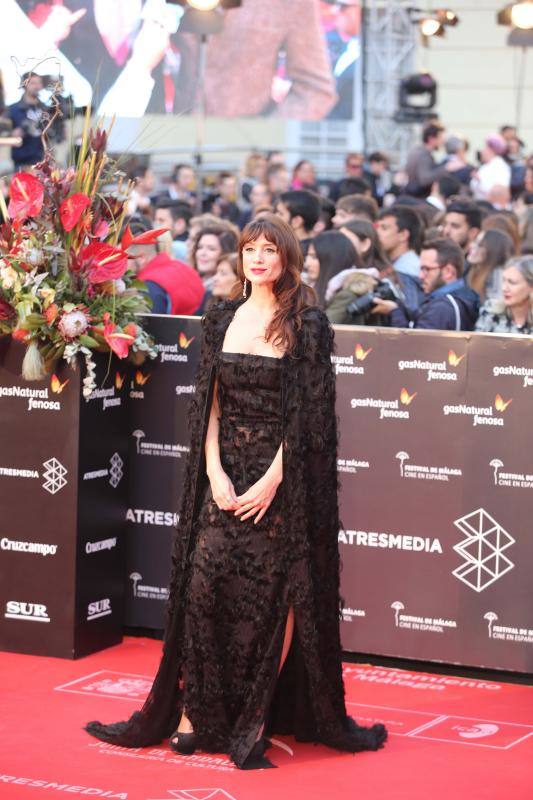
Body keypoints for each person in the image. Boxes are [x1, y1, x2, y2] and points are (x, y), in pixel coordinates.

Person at [85, 214, 387, 769]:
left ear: (286, 258)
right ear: (240, 257)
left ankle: (254, 716)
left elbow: (309, 415)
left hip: (281, 481)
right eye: (251, 249)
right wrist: (215, 473)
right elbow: (211, 406)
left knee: (274, 599)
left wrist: (274, 479)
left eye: (270, 250)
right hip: (223, 477)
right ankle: (193, 716)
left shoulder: (308, 323)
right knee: (203, 588)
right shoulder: (221, 314)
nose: (259, 258)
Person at [378, 239, 479, 331]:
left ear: (448, 271)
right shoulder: (462, 296)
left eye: (426, 269)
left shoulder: (442, 308)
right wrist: (398, 306)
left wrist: (395, 312)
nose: (421, 276)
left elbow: (412, 346)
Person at [128, 232, 205, 316]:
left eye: (125, 258)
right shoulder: (183, 267)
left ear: (141, 258)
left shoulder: (149, 285)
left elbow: (151, 324)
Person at [475, 255, 533, 335]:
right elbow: (477, 344)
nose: (504, 288)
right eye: (503, 281)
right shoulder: (491, 309)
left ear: (531, 287)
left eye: (512, 282)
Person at [303, 229, 359, 305]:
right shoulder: (305, 288)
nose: (307, 264)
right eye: (308, 256)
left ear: (332, 259)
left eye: (314, 257)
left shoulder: (344, 296)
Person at [7, 72, 46, 169]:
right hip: (22, 162)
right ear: (24, 85)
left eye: (39, 83)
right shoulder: (12, 109)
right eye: (32, 83)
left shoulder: (47, 109)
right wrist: (13, 134)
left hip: (43, 160)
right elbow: (4, 134)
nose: (37, 86)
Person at [467, 229, 515, 302]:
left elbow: (494, 309)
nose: (472, 245)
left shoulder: (497, 277)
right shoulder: (471, 271)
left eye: (480, 245)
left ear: (493, 251)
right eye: (475, 241)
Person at [376, 205, 423, 278]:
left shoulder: (410, 269)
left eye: (384, 228)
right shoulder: (393, 264)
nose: (377, 233)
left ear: (403, 235)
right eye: (377, 228)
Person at [404, 123, 446, 198]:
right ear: (431, 138)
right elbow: (424, 179)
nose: (442, 141)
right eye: (440, 138)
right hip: (418, 198)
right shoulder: (423, 155)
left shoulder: (417, 151)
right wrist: (446, 168)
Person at [275, 190, 321, 255]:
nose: (275, 216)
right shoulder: (315, 248)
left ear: (297, 221)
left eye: (280, 214)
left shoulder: (296, 255)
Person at [472, 135, 511, 201]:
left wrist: (479, 180)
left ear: (492, 150)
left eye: (485, 148)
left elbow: (500, 190)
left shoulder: (501, 166)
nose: (482, 151)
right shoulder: (485, 166)